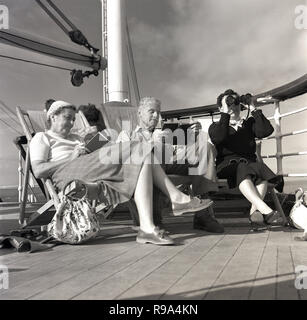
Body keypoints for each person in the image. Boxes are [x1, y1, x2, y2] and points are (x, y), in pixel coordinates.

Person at [30, 100, 213, 246]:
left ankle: (148, 228)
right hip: (67, 173)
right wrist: (72, 156)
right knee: (140, 147)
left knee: (141, 157)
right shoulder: (42, 137)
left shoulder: (76, 137)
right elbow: (39, 170)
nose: (71, 123)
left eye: (72, 119)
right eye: (67, 118)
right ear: (53, 117)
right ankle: (176, 198)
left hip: (89, 166)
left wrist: (93, 143)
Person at [117, 96, 224, 233]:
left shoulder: (164, 133)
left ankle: (203, 215)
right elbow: (124, 158)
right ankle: (152, 218)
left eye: (158, 112)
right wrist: (152, 143)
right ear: (139, 113)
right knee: (151, 152)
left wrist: (194, 136)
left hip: (170, 159)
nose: (157, 116)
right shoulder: (127, 134)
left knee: (205, 148)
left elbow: (187, 152)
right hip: (146, 169)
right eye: (152, 111)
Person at [209, 89, 284, 228]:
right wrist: (225, 114)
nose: (233, 106)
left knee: (258, 172)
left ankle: (255, 212)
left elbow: (265, 131)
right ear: (221, 108)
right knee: (247, 168)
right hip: (227, 167)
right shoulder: (216, 127)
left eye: (235, 102)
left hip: (250, 165)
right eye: (228, 103)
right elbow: (219, 138)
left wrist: (253, 108)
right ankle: (266, 211)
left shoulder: (249, 123)